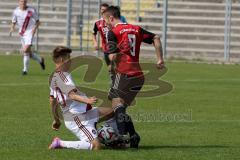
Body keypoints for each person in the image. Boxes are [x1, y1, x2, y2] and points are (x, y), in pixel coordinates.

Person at [103, 6, 165, 148]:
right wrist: (160, 59)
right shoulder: (136, 28)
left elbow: (112, 56)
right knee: (121, 107)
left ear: (111, 18)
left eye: (106, 21)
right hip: (138, 76)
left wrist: (112, 55)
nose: (105, 24)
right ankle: (133, 136)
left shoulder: (113, 32)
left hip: (124, 73)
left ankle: (122, 136)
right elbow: (156, 37)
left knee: (116, 104)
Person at [48, 46, 115, 150]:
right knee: (96, 146)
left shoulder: (54, 77)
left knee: (113, 110)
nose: (71, 61)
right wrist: (87, 100)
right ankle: (60, 143)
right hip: (76, 118)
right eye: (68, 58)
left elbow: (52, 100)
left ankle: (114, 138)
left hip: (84, 113)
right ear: (62, 60)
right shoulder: (63, 76)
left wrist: (56, 120)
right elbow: (72, 95)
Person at [9, 0, 45, 75]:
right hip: (22, 33)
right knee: (29, 53)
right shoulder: (16, 11)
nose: (23, 3)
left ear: (26, 2)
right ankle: (40, 60)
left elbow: (38, 22)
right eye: (21, 1)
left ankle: (25, 70)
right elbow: (13, 21)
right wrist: (12, 28)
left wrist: (34, 29)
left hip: (29, 33)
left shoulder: (31, 10)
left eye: (24, 1)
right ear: (19, 2)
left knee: (25, 50)